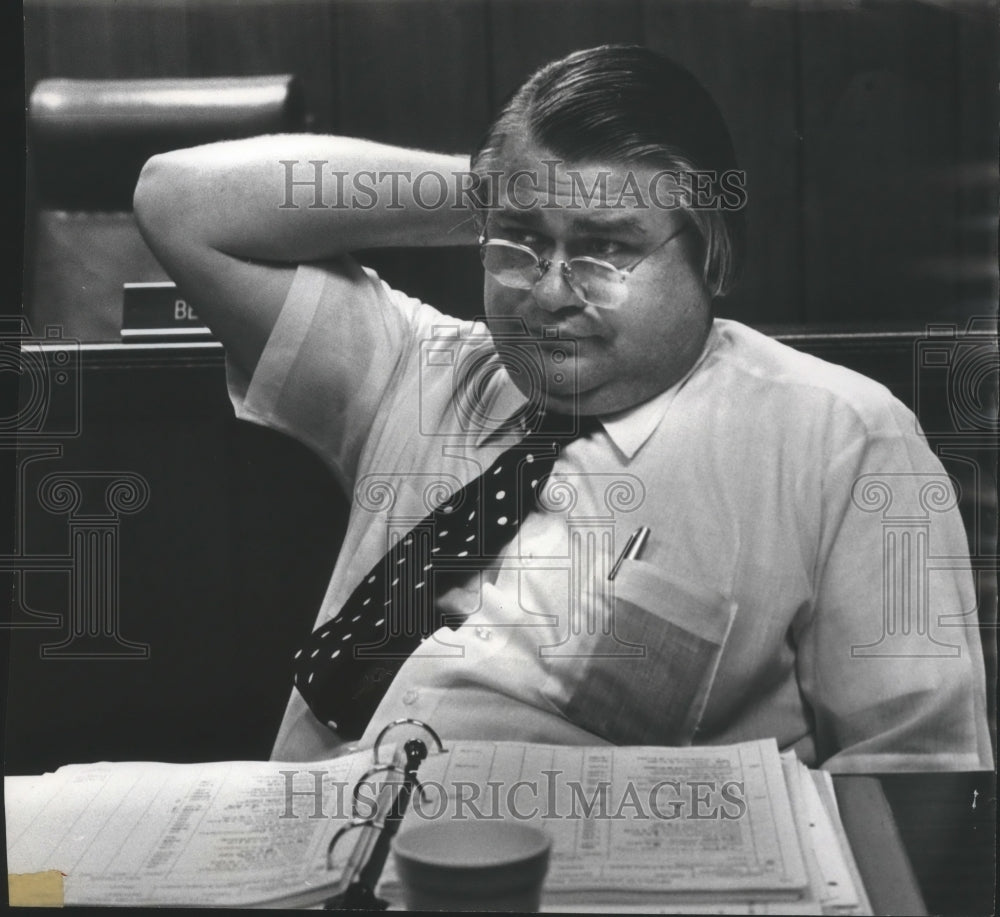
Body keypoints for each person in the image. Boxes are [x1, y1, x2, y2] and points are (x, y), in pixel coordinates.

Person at [133, 45, 992, 772]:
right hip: (304, 862)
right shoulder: (415, 368)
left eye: (606, 248)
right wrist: (498, 188)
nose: (549, 291)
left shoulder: (840, 436)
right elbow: (179, 203)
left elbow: (920, 771)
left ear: (714, 258)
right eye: (520, 244)